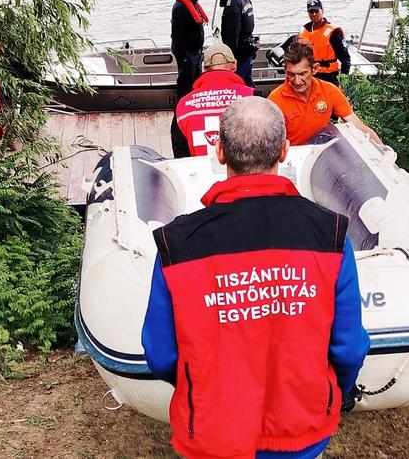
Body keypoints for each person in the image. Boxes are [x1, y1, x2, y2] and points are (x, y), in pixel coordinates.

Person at [142, 96, 370, 459]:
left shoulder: (178, 244)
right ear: (284, 150)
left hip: (213, 433)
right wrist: (330, 395)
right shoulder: (330, 236)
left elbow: (161, 353)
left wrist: (204, 391)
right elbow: (349, 346)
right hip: (302, 429)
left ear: (219, 152)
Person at [270, 41, 382, 146]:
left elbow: (359, 126)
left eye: (302, 74)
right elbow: (269, 143)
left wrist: (384, 152)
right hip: (291, 157)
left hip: (320, 152)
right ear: (285, 70)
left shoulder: (329, 90)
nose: (297, 81)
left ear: (315, 69)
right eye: (291, 74)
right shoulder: (274, 101)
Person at [172, 44, 254, 158]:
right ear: (234, 65)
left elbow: (180, 153)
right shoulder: (253, 98)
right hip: (243, 172)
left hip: (200, 172)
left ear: (204, 69)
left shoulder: (183, 106)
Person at [215, 0, 257, 87]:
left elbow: (233, 33)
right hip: (248, 47)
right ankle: (253, 101)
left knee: (235, 83)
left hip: (239, 52)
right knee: (247, 82)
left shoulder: (232, 6)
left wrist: (231, 57)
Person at [172, 0, 209, 100]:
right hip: (188, 54)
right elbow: (177, 35)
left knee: (197, 82)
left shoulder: (193, 3)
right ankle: (181, 110)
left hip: (196, 52)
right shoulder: (180, 8)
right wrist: (183, 58)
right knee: (185, 85)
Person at [297, 0, 350, 86]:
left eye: (316, 11)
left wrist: (343, 81)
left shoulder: (333, 33)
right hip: (309, 76)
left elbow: (345, 58)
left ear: (322, 11)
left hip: (329, 77)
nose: (314, 14)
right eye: (311, 11)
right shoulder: (304, 31)